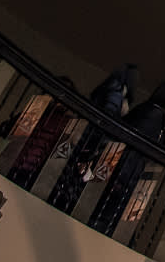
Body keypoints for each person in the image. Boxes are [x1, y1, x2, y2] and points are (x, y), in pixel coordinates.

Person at [87, 80, 165, 233]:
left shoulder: (149, 112)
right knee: (102, 220)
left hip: (120, 174)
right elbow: (138, 149)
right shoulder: (154, 115)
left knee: (101, 217)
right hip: (122, 177)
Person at [47, 64, 137, 212]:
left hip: (83, 144)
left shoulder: (107, 90)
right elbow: (107, 120)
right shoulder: (117, 93)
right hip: (89, 146)